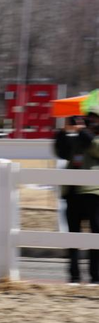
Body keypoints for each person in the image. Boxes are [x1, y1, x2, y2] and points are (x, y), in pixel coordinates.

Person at [54, 112, 99, 285]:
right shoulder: (79, 138)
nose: (88, 122)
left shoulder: (90, 138)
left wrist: (84, 133)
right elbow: (62, 152)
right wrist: (64, 132)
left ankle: (96, 277)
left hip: (94, 193)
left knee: (96, 237)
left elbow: (96, 149)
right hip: (72, 192)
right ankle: (74, 276)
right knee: (73, 236)